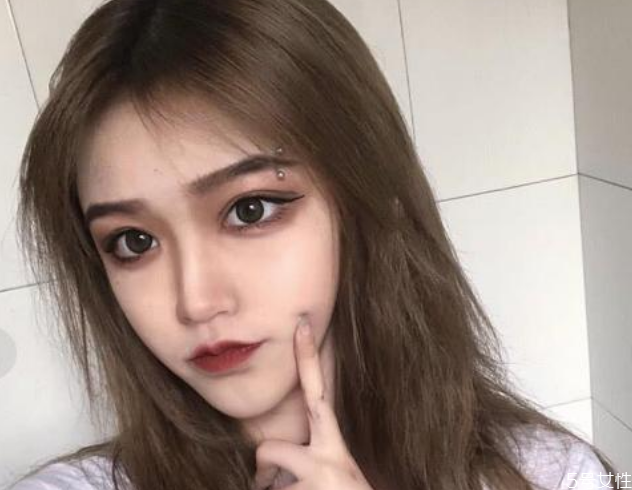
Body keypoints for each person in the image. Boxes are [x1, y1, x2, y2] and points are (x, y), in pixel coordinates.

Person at [7, 0, 619, 489]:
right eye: (133, 241)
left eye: (250, 209)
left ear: (368, 196)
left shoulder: (552, 474)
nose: (196, 301)